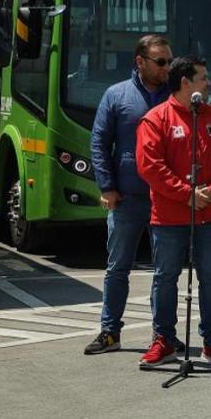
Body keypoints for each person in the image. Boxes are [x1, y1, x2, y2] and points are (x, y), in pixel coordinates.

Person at [135, 57, 211, 367]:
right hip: (169, 218)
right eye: (203, 78)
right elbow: (150, 167)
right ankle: (164, 340)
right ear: (185, 82)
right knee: (165, 277)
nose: (209, 83)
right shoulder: (156, 120)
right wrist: (188, 195)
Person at [84, 35, 171, 355]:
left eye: (169, 61)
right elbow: (99, 143)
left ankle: (163, 336)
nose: (167, 68)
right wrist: (106, 186)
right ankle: (110, 332)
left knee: (165, 271)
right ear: (140, 62)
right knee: (118, 267)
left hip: (167, 197)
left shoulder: (175, 96)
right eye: (160, 61)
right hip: (127, 198)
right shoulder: (116, 95)